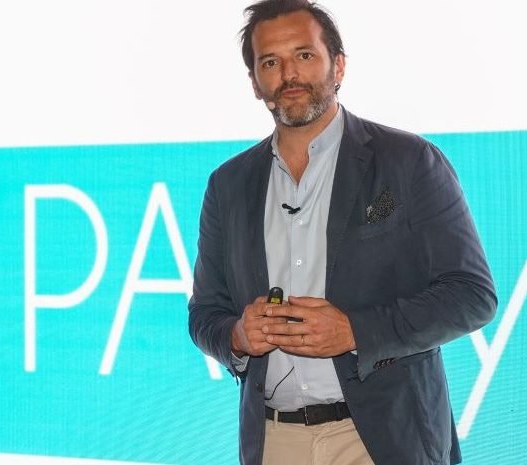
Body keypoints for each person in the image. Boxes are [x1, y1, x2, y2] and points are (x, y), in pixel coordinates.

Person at [187, 1, 497, 464]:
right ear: (254, 82)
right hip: (274, 441)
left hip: (383, 439)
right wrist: (236, 336)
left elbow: (472, 295)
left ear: (339, 66)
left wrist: (355, 332)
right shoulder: (227, 185)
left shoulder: (408, 162)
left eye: (304, 55)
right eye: (270, 62)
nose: (289, 74)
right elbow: (204, 314)